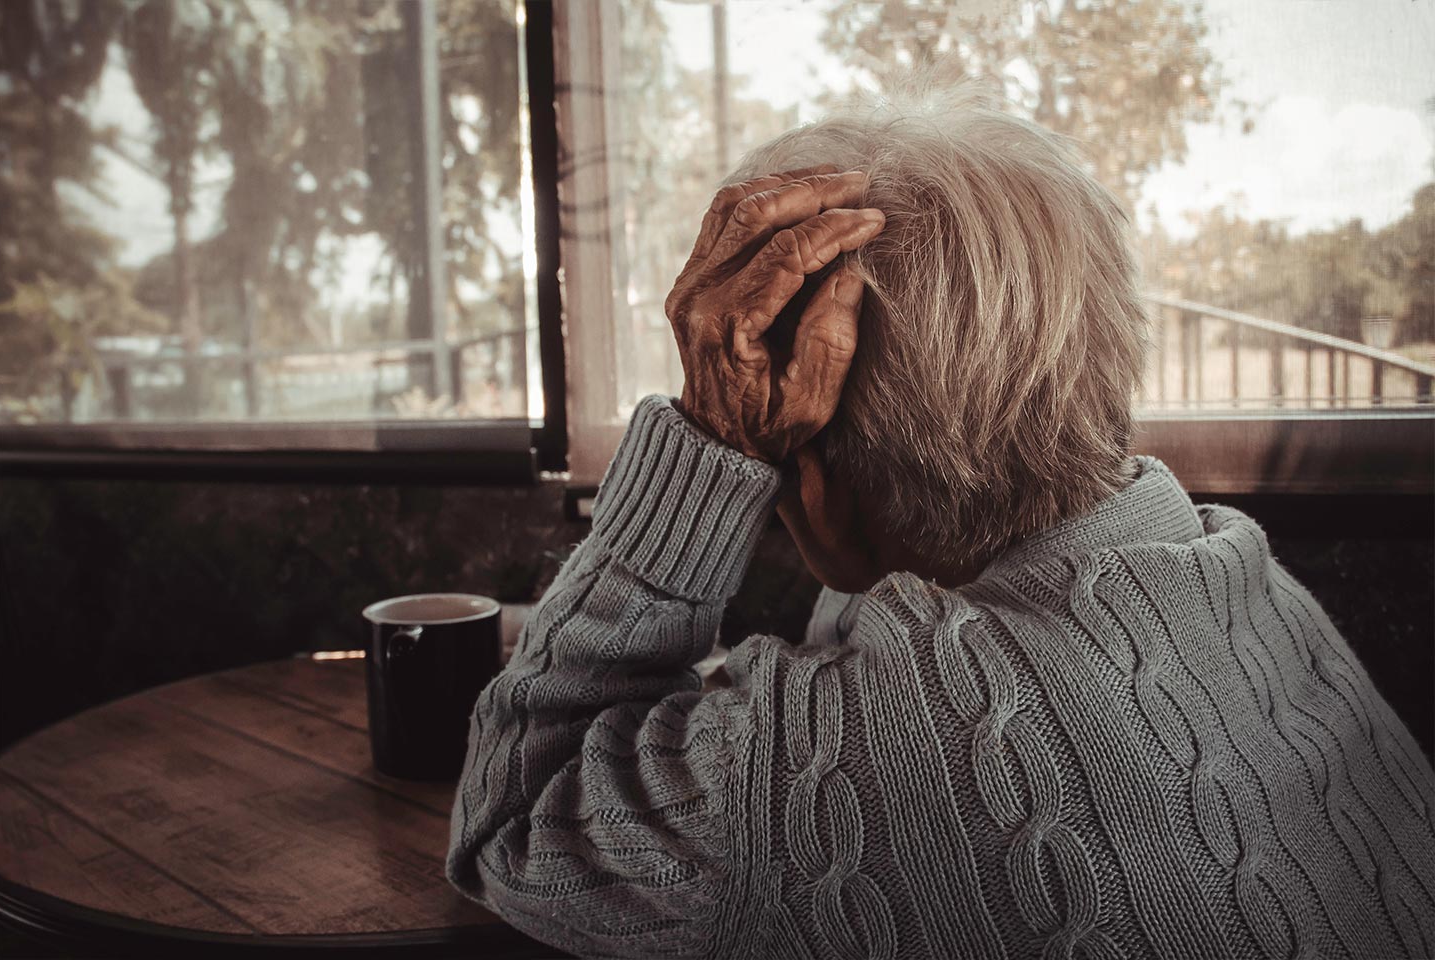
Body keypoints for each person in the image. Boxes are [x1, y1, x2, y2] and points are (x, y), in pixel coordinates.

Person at [446, 85, 1435, 959]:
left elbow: (514, 820)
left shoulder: (851, 751)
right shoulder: (1253, 593)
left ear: (815, 483)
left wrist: (710, 442)